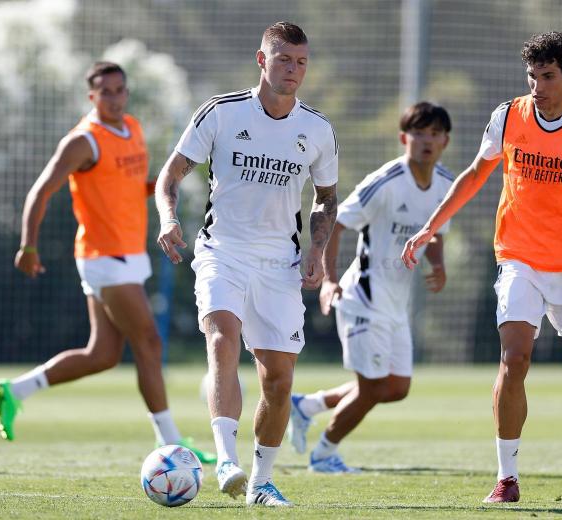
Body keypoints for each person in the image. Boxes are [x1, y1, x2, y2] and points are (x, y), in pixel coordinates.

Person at [401, 31, 562, 503]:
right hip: (519, 258)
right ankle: (507, 478)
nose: (537, 86)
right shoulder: (507, 116)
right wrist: (429, 227)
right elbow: (473, 176)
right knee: (514, 358)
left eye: (548, 76)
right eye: (532, 75)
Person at [0, 62, 213, 465]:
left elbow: (132, 186)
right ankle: (171, 443)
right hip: (102, 256)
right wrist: (29, 245)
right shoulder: (82, 141)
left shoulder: (131, 126)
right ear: (91, 96)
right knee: (149, 341)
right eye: (105, 91)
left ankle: (14, 391)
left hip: (129, 254)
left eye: (120, 89)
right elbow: (41, 192)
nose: (114, 97)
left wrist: (165, 184)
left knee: (103, 355)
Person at [155, 22, 338, 507]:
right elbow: (169, 176)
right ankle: (224, 459)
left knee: (278, 380)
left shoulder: (317, 130)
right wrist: (168, 218)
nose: (293, 70)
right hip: (223, 252)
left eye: (301, 62)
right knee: (222, 340)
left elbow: (325, 200)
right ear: (262, 60)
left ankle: (260, 482)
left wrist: (316, 251)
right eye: (283, 60)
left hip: (280, 264)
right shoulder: (220, 112)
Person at [287, 102, 454, 473]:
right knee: (373, 387)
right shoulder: (385, 183)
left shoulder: (446, 184)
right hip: (362, 298)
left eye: (434, 133)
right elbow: (337, 225)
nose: (426, 141)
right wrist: (329, 281)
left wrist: (438, 264)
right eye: (418, 133)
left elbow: (436, 231)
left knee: (396, 387)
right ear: (403, 138)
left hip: (395, 306)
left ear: (445, 141)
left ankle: (307, 406)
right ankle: (325, 454)